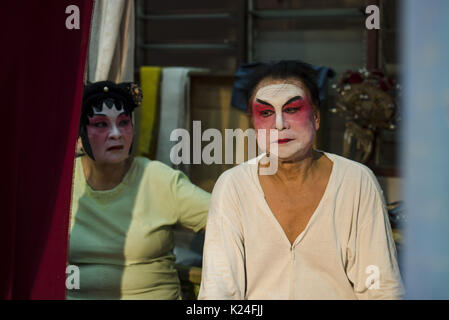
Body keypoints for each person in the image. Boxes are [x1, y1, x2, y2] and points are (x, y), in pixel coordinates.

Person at [198, 61, 403, 300]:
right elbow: (218, 290)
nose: (279, 124)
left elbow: (381, 288)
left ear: (316, 117)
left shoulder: (356, 182)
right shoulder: (233, 186)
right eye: (265, 113)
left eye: (292, 109)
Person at [67, 81, 210, 299]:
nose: (116, 134)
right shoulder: (63, 186)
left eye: (123, 122)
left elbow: (229, 220)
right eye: (101, 124)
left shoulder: (157, 178)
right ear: (78, 138)